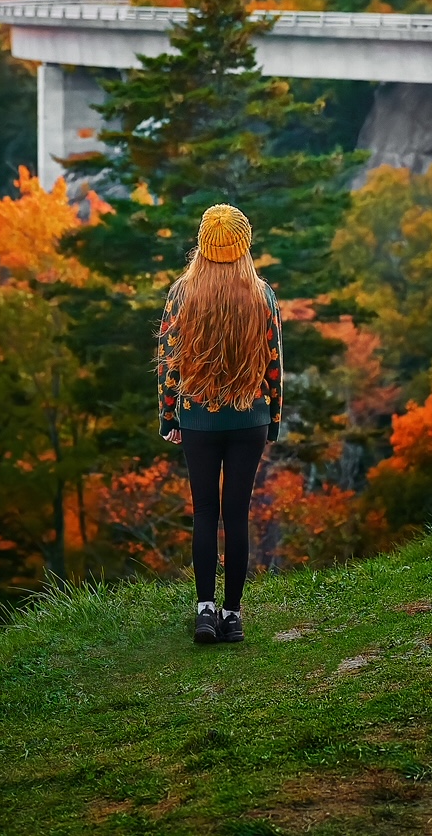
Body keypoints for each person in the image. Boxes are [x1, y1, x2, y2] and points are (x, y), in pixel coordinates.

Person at [157, 203, 283, 645]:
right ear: (244, 246)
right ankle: (234, 614)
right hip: (249, 419)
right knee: (237, 514)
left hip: (198, 420)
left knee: (205, 513)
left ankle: (205, 612)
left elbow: (170, 364)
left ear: (203, 245)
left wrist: (169, 415)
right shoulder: (262, 294)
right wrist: (273, 420)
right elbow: (274, 363)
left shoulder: (181, 293)